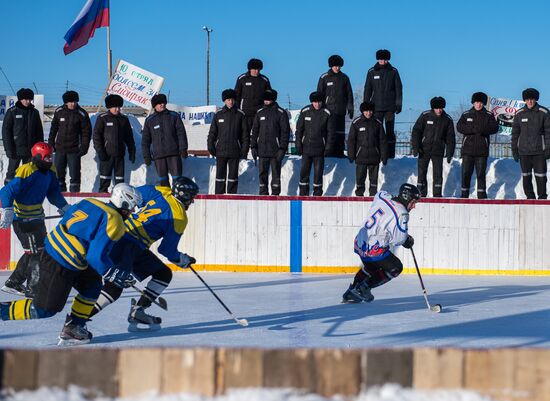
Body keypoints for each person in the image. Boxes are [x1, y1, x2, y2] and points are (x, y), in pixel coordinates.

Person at [0, 183, 142, 346]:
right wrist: (114, 274)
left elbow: (75, 228)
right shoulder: (115, 221)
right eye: (131, 207)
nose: (132, 212)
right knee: (44, 309)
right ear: (124, 202)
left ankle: (73, 327)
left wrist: (112, 270)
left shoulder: (91, 202)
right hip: (61, 261)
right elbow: (96, 256)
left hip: (62, 254)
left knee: (92, 285)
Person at [90, 177, 199, 331]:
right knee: (114, 287)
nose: (192, 202)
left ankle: (138, 311)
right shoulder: (180, 217)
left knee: (163, 274)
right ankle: (75, 322)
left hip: (122, 236)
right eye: (192, 198)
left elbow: (135, 197)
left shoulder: (161, 191)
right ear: (185, 196)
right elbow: (167, 250)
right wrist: (182, 259)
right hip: (128, 245)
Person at [0, 142, 70, 297]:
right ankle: (34, 289)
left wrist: (65, 207)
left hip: (37, 218)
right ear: (37, 156)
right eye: (46, 157)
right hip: (22, 220)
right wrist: (7, 210)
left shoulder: (50, 171)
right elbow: (6, 192)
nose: (50, 159)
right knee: (36, 253)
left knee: (38, 251)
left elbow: (53, 194)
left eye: (51, 156)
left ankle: (13, 283)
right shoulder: (27, 170)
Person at [342, 183, 421, 303]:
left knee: (370, 267)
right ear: (407, 197)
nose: (414, 206)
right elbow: (398, 239)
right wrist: (407, 240)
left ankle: (351, 291)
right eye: (414, 202)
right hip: (373, 249)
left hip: (360, 243)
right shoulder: (402, 213)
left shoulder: (382, 197)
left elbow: (380, 193)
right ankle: (363, 288)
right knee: (395, 268)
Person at [456, 92, 499, 199]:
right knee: (465, 174)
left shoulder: (489, 115)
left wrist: (483, 130)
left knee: (480, 175)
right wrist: (471, 129)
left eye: (480, 102)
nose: (478, 104)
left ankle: (482, 196)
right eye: (476, 102)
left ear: (483, 103)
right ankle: (464, 195)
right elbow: (459, 127)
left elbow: (495, 128)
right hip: (467, 151)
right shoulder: (466, 114)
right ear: (473, 103)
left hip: (482, 151)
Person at [411, 97, 456, 197]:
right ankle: (421, 194)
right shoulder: (425, 116)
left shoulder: (447, 119)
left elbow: (450, 138)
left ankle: (437, 195)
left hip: (438, 151)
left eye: (441, 108)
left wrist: (449, 153)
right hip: (424, 150)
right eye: (436, 108)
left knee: (438, 175)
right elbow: (416, 131)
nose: (439, 110)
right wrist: (416, 146)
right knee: (422, 173)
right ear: (433, 108)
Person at [48, 90, 92, 192]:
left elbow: (86, 133)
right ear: (66, 102)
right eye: (70, 102)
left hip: (74, 150)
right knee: (59, 174)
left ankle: (74, 195)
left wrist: (84, 147)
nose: (73, 104)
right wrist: (51, 143)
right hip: (60, 149)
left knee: (75, 175)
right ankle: (59, 194)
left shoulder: (82, 114)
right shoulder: (59, 111)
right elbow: (53, 128)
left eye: (75, 102)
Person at [141, 93, 188, 187]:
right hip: (159, 156)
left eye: (163, 102)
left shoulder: (174, 116)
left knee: (177, 180)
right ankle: (166, 200)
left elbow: (181, 133)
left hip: (173, 154)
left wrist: (183, 148)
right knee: (163, 181)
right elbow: (145, 140)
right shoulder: (150, 120)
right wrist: (146, 156)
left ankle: (177, 199)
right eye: (159, 103)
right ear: (154, 106)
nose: (162, 104)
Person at [363, 49, 402, 159]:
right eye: (380, 59)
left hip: (390, 107)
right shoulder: (371, 72)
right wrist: (365, 106)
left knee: (389, 131)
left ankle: (390, 154)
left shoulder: (394, 71)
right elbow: (368, 89)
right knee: (376, 131)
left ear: (388, 60)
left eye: (385, 59)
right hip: (375, 108)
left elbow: (399, 88)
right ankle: (378, 153)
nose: (382, 61)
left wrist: (398, 104)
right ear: (377, 59)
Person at [207, 89, 249, 194]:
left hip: (235, 151)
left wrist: (244, 149)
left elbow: (245, 135)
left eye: (232, 99)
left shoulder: (240, 115)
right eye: (228, 99)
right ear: (224, 101)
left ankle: (231, 196)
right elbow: (212, 132)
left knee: (233, 177)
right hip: (220, 151)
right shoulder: (218, 114)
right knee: (220, 177)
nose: (231, 102)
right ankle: (219, 196)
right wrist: (210, 145)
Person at [250, 89, 291, 195]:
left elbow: (285, 132)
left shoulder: (280, 113)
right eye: (265, 99)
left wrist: (282, 148)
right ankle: (263, 193)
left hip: (275, 151)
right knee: (262, 174)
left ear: (273, 99)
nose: (266, 101)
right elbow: (254, 132)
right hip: (262, 150)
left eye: (268, 99)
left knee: (276, 174)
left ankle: (275, 195)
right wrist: (253, 146)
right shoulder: (259, 113)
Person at [511, 88, 550, 199]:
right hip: (524, 152)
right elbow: (515, 134)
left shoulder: (544, 112)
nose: (530, 102)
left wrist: (548, 149)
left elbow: (548, 133)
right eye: (527, 99)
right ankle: (530, 197)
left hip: (539, 152)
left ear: (536, 99)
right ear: (524, 100)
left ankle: (542, 197)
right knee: (526, 177)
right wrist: (514, 150)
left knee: (541, 177)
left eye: (532, 99)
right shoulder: (519, 114)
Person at [93, 94, 136, 193]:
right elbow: (96, 136)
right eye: (115, 107)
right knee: (105, 178)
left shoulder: (124, 119)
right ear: (109, 107)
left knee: (120, 180)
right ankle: (103, 194)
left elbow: (129, 137)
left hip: (120, 154)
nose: (117, 109)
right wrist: (100, 151)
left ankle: (119, 197)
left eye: (119, 107)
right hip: (106, 154)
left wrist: (132, 151)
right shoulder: (103, 118)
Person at [295, 91, 335, 196]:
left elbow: (331, 132)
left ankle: (317, 194)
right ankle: (303, 194)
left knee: (318, 174)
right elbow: (299, 129)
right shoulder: (305, 111)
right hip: (306, 149)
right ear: (311, 102)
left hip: (319, 149)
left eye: (319, 102)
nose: (317, 104)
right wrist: (298, 144)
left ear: (322, 102)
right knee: (304, 173)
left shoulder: (327, 113)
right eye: (315, 102)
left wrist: (328, 147)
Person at [2, 88, 44, 185]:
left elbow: (39, 132)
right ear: (20, 99)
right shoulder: (12, 112)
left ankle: (26, 195)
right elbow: (6, 132)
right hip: (15, 150)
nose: (28, 101)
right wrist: (8, 149)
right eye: (25, 99)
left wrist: (39, 149)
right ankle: (7, 193)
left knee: (28, 173)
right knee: (11, 173)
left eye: (30, 99)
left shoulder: (34, 112)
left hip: (30, 150)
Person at [316, 55, 353, 158]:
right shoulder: (324, 77)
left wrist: (350, 107)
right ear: (331, 66)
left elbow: (349, 93)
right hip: (328, 111)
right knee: (329, 131)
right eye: (335, 66)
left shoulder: (344, 78)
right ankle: (328, 151)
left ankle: (339, 151)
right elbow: (319, 94)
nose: (337, 68)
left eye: (339, 66)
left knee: (340, 131)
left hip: (340, 110)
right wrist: (319, 109)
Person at [347, 101, 387, 196]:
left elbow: (382, 141)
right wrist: (351, 154)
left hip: (374, 157)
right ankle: (359, 195)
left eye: (370, 111)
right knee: (360, 178)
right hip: (361, 157)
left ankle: (373, 196)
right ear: (362, 111)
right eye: (366, 111)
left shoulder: (377, 123)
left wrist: (384, 155)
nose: (368, 113)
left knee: (373, 181)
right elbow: (351, 140)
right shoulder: (356, 123)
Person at [235, 58, 272, 136]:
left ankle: (258, 148)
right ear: (250, 69)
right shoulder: (242, 78)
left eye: (258, 69)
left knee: (260, 134)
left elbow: (269, 96)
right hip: (245, 112)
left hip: (259, 112)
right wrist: (237, 111)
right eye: (255, 69)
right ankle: (244, 148)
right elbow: (237, 96)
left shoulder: (264, 80)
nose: (257, 71)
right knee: (244, 134)